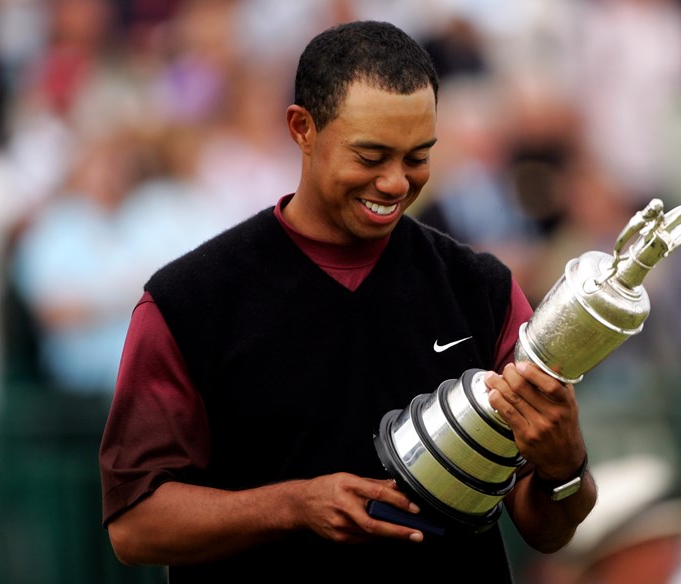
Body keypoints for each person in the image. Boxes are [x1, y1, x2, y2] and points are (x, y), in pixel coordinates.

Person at [99, 20, 596, 582]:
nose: (395, 183)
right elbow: (133, 525)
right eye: (370, 155)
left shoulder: (481, 289)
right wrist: (293, 506)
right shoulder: (187, 301)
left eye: (417, 157)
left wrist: (565, 462)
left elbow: (545, 528)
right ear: (302, 128)